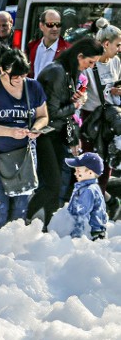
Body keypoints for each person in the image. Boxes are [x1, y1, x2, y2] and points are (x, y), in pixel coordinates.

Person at [0, 49, 49, 229]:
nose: (19, 80)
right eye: (14, 76)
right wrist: (10, 131)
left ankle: (16, 250)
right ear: (2, 70)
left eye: (23, 75)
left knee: (20, 208)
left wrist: (36, 129)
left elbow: (43, 116)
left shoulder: (33, 87)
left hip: (24, 154)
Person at [33, 37, 104, 221]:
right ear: (80, 56)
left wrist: (73, 100)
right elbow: (52, 111)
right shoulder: (57, 71)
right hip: (46, 133)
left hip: (57, 133)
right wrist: (77, 104)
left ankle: (49, 222)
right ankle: (25, 217)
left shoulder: (66, 70)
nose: (89, 67)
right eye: (90, 62)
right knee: (52, 184)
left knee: (56, 184)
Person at [81, 19, 121, 193]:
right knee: (92, 166)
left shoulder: (116, 61)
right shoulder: (90, 64)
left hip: (110, 120)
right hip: (91, 119)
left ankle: (100, 203)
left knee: (107, 166)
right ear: (106, 44)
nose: (119, 49)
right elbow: (81, 91)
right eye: (117, 45)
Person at [65, 153, 107, 240]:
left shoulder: (88, 190)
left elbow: (81, 215)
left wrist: (75, 237)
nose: (75, 173)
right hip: (94, 233)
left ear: (90, 172)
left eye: (78, 171)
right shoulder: (89, 188)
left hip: (91, 235)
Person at [28, 9, 70, 78]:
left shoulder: (67, 50)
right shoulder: (31, 47)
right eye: (50, 25)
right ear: (41, 26)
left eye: (58, 25)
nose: (55, 28)